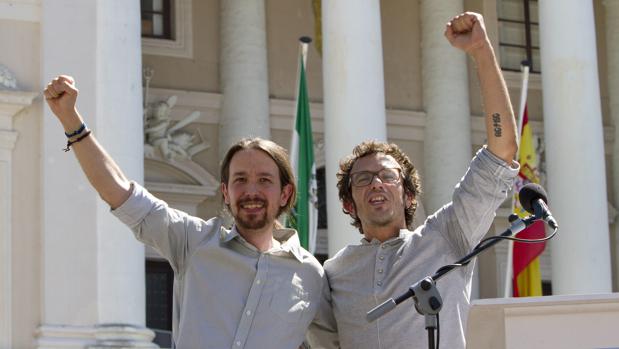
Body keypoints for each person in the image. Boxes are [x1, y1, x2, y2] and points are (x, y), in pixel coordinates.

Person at [43, 77, 325, 349]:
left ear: (285, 193)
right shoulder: (193, 242)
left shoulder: (311, 274)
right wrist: (71, 120)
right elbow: (120, 193)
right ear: (226, 193)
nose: (251, 191)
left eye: (264, 180)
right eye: (240, 180)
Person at [307, 12, 519, 349]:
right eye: (363, 179)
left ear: (408, 196)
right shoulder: (333, 272)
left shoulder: (449, 236)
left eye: (387, 176)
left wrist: (481, 51)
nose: (376, 183)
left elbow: (502, 150)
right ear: (348, 203)